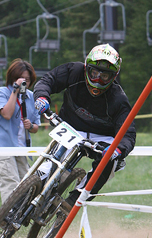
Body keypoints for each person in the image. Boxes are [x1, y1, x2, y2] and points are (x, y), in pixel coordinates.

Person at [34, 43, 136, 208]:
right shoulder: (73, 71)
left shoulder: (119, 99)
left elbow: (128, 134)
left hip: (101, 137)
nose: (97, 80)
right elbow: (48, 80)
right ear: (86, 68)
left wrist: (118, 150)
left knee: (109, 162)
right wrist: (42, 97)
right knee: (48, 165)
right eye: (94, 72)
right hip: (71, 127)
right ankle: (27, 191)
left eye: (104, 76)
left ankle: (75, 200)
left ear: (114, 76)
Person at [0, 58, 41, 204]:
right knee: (10, 180)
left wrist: (31, 126)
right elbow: (7, 114)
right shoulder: (1, 93)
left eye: (27, 80)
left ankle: (19, 215)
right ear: (12, 78)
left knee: (26, 183)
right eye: (20, 79)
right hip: (1, 143)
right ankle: (6, 217)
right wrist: (15, 91)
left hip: (20, 146)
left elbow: (36, 127)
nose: (24, 83)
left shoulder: (31, 97)